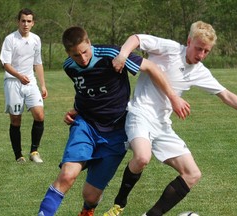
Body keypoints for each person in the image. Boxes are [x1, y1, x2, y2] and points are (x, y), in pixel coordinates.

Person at [104, 21, 237, 216]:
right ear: (189, 41)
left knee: (193, 174)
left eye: (206, 51)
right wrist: (123, 54)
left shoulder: (200, 71)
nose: (201, 55)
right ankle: (119, 205)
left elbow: (226, 95)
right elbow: (137, 38)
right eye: (198, 49)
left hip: (162, 124)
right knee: (142, 157)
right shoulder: (171, 49)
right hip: (140, 113)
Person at [38, 26, 189, 216]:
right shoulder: (69, 66)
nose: (82, 58)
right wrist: (77, 109)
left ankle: (87, 211)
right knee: (68, 175)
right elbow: (85, 91)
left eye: (85, 52)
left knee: (91, 196)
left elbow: (151, 67)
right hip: (86, 125)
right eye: (76, 55)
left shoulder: (111, 54)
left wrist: (173, 97)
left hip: (117, 132)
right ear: (68, 53)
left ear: (89, 43)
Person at [0, 8, 48, 163]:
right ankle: (18, 155)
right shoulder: (10, 39)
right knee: (15, 120)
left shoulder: (36, 39)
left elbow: (38, 63)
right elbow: (5, 64)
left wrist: (43, 85)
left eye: (29, 21)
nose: (25, 24)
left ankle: (34, 151)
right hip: (13, 82)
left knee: (39, 115)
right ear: (18, 22)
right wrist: (19, 76)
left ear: (33, 23)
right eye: (23, 21)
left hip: (30, 82)